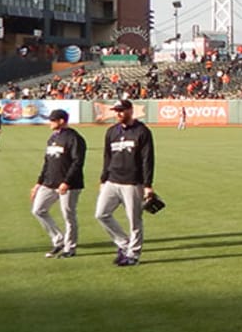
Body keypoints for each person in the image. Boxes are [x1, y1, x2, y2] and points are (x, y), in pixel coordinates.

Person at [96, 98, 156, 267]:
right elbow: (107, 157)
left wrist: (147, 185)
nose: (118, 113)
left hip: (132, 183)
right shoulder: (111, 132)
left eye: (121, 110)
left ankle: (134, 254)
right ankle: (123, 244)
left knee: (134, 221)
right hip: (112, 181)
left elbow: (147, 159)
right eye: (116, 111)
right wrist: (103, 179)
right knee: (101, 214)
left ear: (130, 110)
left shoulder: (142, 131)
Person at [31, 108, 87, 259]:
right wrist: (38, 183)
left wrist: (66, 182)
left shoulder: (74, 138)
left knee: (68, 216)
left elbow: (77, 162)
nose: (49, 123)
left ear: (62, 121)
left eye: (52, 120)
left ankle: (70, 248)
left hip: (69, 185)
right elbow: (47, 162)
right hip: (49, 182)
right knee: (38, 210)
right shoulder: (52, 138)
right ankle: (58, 240)